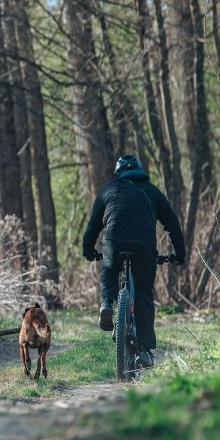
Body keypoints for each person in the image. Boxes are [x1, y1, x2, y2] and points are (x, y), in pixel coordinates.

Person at [82, 154, 185, 367]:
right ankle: (145, 350)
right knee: (144, 295)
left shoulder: (109, 190)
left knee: (109, 269)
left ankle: (107, 303)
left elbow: (93, 226)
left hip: (114, 241)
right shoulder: (152, 191)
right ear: (140, 170)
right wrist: (179, 254)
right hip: (143, 245)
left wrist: (88, 250)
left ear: (118, 173)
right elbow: (173, 224)